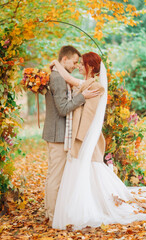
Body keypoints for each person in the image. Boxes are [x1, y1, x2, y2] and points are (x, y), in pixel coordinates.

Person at [50, 52, 146, 230]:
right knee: (87, 172)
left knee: (89, 169)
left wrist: (80, 140)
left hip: (85, 137)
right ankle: (86, 204)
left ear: (91, 67)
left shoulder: (96, 87)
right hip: (81, 136)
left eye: (82, 64)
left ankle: (89, 208)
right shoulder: (88, 84)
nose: (79, 66)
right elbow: (70, 81)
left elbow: (88, 116)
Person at [42, 46, 100, 226]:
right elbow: (63, 108)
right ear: (64, 59)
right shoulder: (58, 78)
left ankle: (49, 211)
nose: (76, 66)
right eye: (75, 62)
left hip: (58, 133)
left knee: (54, 174)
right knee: (56, 177)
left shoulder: (59, 75)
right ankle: (52, 216)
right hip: (58, 134)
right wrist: (82, 97)